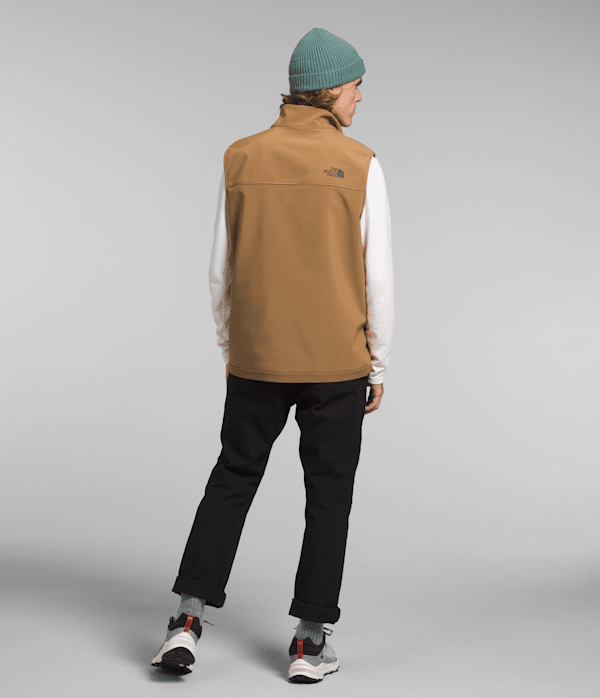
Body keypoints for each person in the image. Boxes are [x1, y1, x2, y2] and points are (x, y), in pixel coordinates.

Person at [151, 27, 394, 683]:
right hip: (337, 364)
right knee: (329, 497)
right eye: (357, 87)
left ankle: (185, 622)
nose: (361, 98)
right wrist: (378, 363)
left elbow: (219, 269)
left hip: (257, 358)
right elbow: (377, 277)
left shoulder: (241, 157)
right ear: (333, 89)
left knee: (231, 479)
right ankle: (309, 645)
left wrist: (236, 346)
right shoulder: (362, 164)